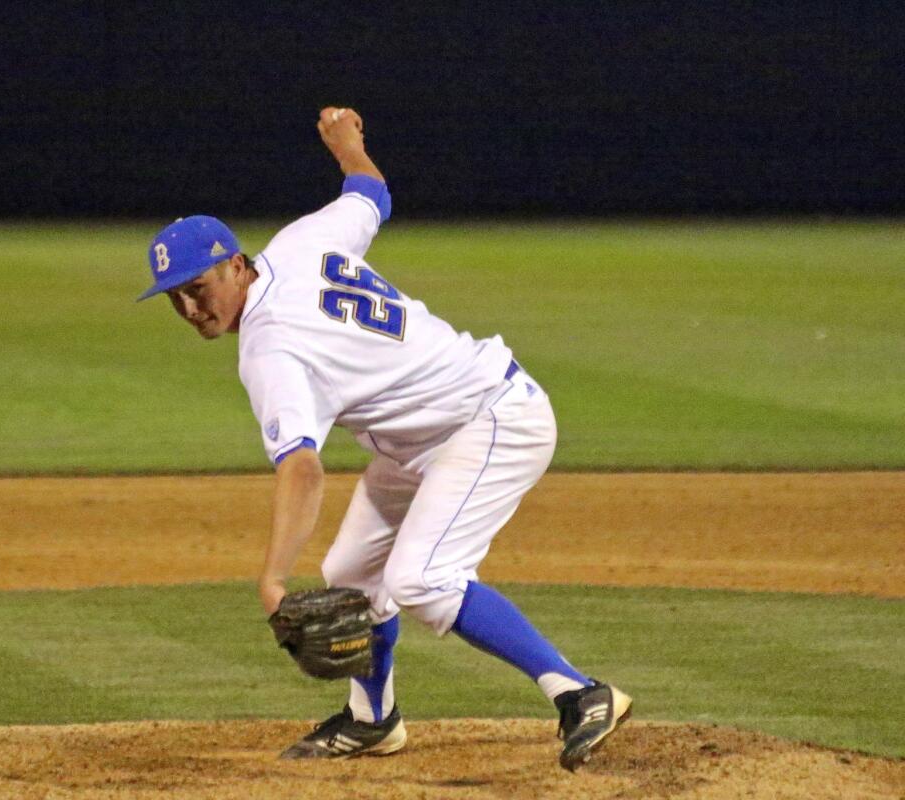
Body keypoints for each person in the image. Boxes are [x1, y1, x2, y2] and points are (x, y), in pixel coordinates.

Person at [138, 107, 632, 771]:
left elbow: (304, 470)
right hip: (424, 437)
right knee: (352, 576)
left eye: (197, 289)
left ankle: (579, 692)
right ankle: (374, 720)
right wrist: (348, 145)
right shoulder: (298, 244)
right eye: (175, 298)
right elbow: (370, 194)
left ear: (233, 266)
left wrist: (273, 577)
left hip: (488, 418)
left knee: (423, 578)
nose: (191, 310)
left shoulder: (269, 348)